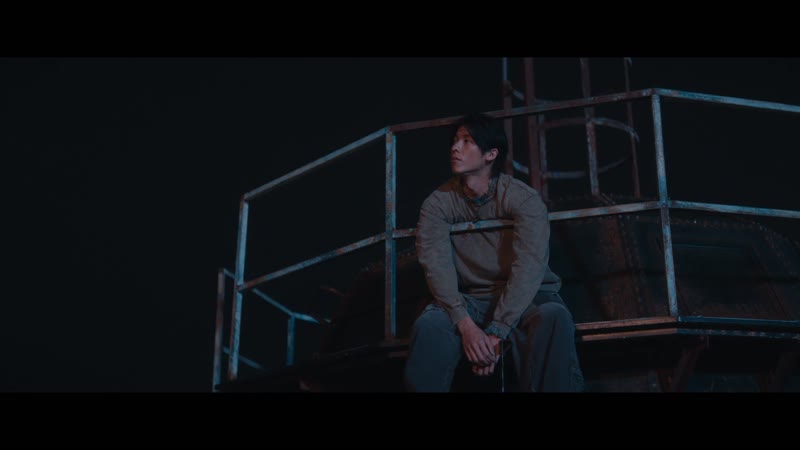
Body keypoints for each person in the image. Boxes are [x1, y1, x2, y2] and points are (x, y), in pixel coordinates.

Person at [404, 112, 584, 392]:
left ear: (491, 154)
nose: (455, 148)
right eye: (455, 141)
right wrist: (467, 327)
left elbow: (529, 268)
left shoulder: (523, 198)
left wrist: (497, 331)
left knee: (554, 317)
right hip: (468, 298)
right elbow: (436, 268)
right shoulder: (437, 204)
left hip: (527, 297)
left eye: (467, 141)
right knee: (429, 325)